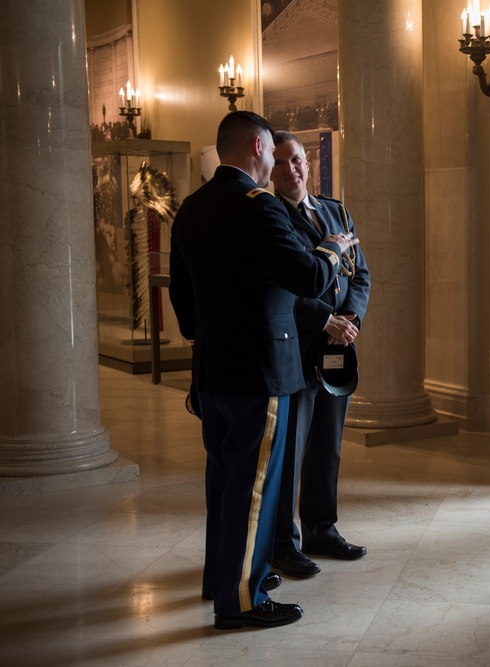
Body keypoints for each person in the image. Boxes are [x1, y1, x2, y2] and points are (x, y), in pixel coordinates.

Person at [169, 111, 356, 629]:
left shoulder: (191, 208)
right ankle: (242, 600)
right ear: (256, 145)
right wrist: (332, 248)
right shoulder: (258, 207)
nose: (275, 161)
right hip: (260, 372)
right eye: (273, 151)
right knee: (254, 488)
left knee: (224, 482)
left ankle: (221, 577)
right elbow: (310, 276)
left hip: (212, 371)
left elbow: (184, 308)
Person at [269, 131, 371, 579]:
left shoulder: (336, 211)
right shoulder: (270, 217)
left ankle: (321, 529)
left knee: (328, 447)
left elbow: (361, 274)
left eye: (297, 161)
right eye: (281, 164)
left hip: (338, 348)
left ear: (308, 163)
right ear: (269, 170)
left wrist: (350, 321)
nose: (291, 170)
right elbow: (280, 288)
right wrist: (324, 320)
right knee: (291, 451)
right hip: (299, 348)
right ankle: (283, 544)